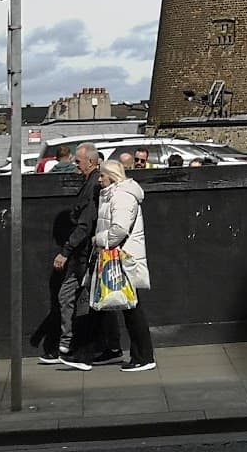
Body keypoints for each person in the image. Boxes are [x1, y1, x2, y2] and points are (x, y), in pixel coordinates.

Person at [45, 144, 121, 370]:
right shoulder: (92, 184)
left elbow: (85, 224)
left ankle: (72, 347)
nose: (75, 166)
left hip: (85, 255)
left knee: (85, 301)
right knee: (82, 299)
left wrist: (65, 251)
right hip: (84, 254)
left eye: (78, 162)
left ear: (90, 161)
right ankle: (79, 347)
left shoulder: (92, 186)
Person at [92, 159, 155, 371]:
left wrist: (99, 239)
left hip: (124, 259)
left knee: (132, 308)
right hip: (123, 258)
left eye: (102, 175)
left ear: (112, 175)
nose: (99, 179)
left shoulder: (122, 196)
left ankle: (144, 357)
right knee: (129, 307)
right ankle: (139, 355)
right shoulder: (117, 194)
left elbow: (119, 229)